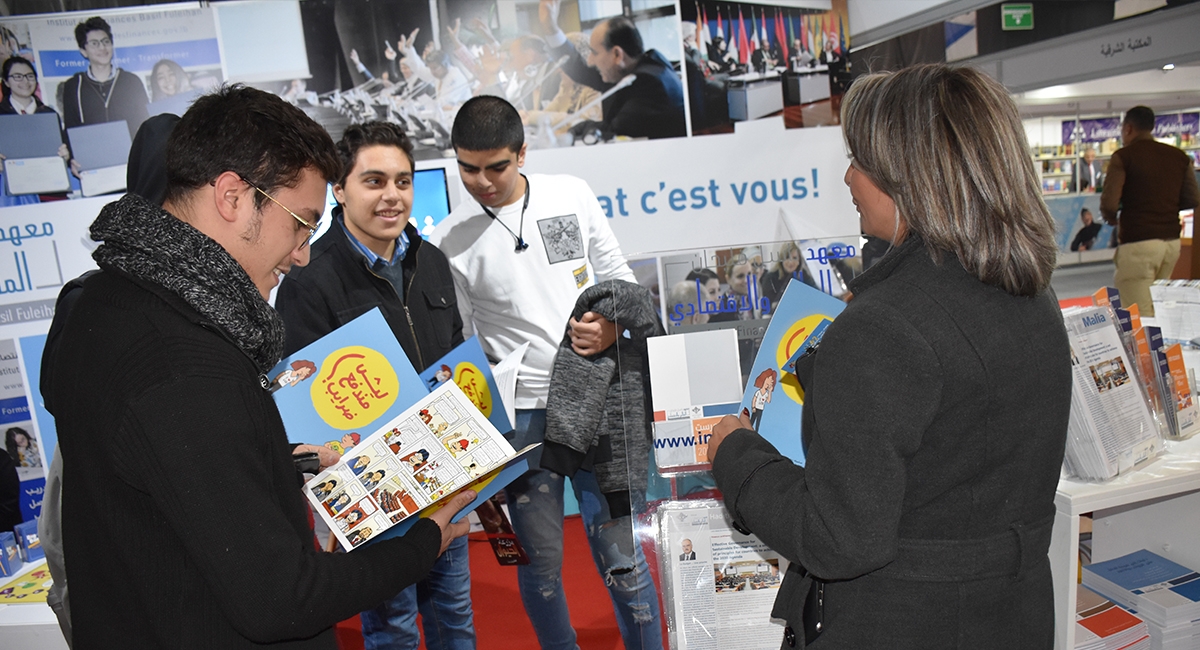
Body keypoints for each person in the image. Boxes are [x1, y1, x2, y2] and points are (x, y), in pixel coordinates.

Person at [43, 84, 475, 649]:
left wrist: (284, 459)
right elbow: (283, 599)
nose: (300, 255)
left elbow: (172, 479)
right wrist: (421, 542)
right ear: (232, 196)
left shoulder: (107, 301)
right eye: (301, 224)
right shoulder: (185, 360)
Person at [704, 65, 1070, 649]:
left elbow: (839, 537)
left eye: (861, 161)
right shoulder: (1027, 290)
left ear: (911, 177)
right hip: (1009, 612)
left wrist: (737, 458)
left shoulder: (888, 324)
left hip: (897, 621)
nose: (848, 177)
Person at [429, 95, 662, 650]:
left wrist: (609, 325)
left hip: (601, 404)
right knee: (541, 569)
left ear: (522, 153)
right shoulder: (451, 241)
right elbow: (463, 346)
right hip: (524, 422)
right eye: (467, 168)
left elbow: (621, 280)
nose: (481, 181)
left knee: (623, 559)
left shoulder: (571, 194)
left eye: (496, 167)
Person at [275, 120, 472, 650]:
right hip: (374, 488)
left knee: (455, 618)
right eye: (375, 181)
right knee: (393, 629)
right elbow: (300, 396)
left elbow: (453, 361)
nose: (393, 196)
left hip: (445, 477)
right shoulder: (309, 277)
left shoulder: (431, 262)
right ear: (339, 190)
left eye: (403, 181)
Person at [1100, 105, 1200, 316]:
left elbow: (1109, 203)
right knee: (1159, 307)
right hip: (1171, 244)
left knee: (1137, 313)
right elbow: (1192, 198)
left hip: (1138, 243)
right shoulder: (1178, 156)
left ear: (1128, 129)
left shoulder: (1124, 157)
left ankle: (1148, 350)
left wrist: (1112, 219)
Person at [540, 0, 685, 140]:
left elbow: (614, 133)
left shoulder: (649, 84)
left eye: (594, 53)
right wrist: (551, 29)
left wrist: (575, 130)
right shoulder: (634, 70)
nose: (590, 60)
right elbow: (582, 71)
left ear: (617, 54)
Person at [0, 56, 76, 206]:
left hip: (50, 192)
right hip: (14, 196)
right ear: (6, 82)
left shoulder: (49, 114)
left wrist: (66, 156)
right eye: (17, 77)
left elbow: (65, 152)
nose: (25, 81)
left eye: (30, 76)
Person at [60, 16, 149, 138]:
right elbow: (70, 129)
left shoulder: (131, 81)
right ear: (83, 51)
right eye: (94, 44)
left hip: (130, 155)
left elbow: (145, 123)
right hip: (90, 155)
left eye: (106, 41)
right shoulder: (73, 86)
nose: (102, 48)